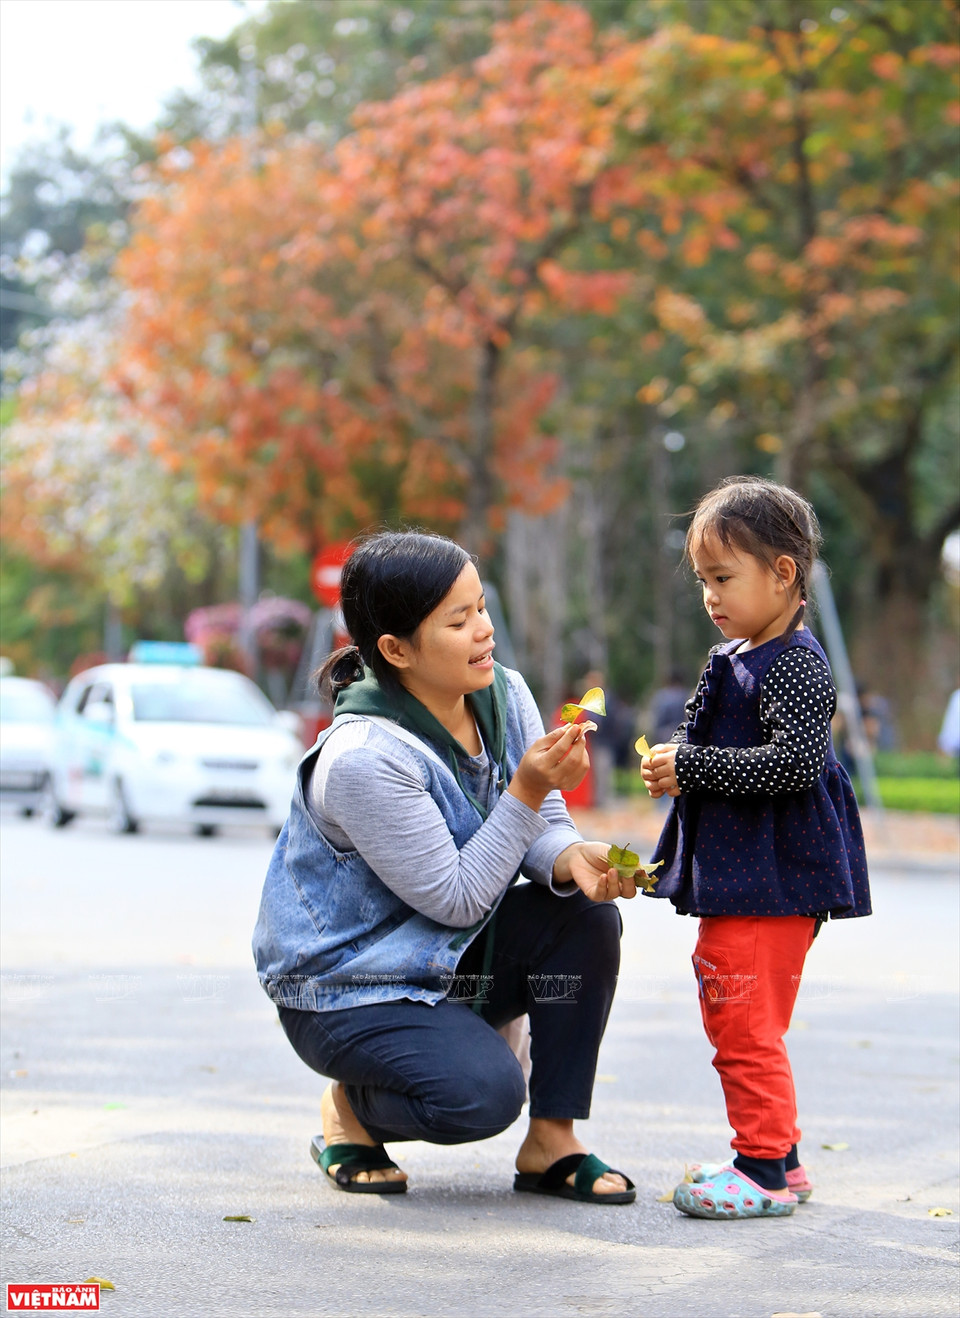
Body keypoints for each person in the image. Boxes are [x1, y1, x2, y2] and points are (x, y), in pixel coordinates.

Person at [253, 530, 637, 1203]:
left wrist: (575, 855)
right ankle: (352, 1109)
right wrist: (525, 788)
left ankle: (553, 1139)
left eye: (481, 608)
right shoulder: (364, 758)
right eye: (459, 622)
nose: (484, 631)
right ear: (397, 649)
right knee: (481, 1097)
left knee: (584, 912)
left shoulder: (502, 693)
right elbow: (456, 898)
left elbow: (539, 829)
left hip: (447, 962)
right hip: (351, 988)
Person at [639, 476, 871, 1221]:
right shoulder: (732, 654)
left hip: (772, 880)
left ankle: (762, 1169)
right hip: (741, 877)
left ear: (784, 575)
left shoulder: (797, 663)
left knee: (741, 1021)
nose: (711, 595)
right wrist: (673, 759)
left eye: (725, 578)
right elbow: (705, 736)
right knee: (742, 1017)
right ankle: (784, 1159)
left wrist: (695, 766)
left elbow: (795, 764)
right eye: (704, 580)